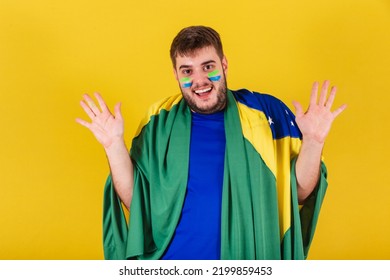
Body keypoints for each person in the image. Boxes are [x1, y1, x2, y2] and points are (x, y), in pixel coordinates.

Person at [76, 26, 346, 260]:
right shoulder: (158, 121)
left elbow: (299, 192)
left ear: (224, 64)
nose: (200, 80)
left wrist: (313, 140)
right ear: (176, 74)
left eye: (208, 67)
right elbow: (137, 201)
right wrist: (113, 145)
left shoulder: (265, 113)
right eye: (187, 71)